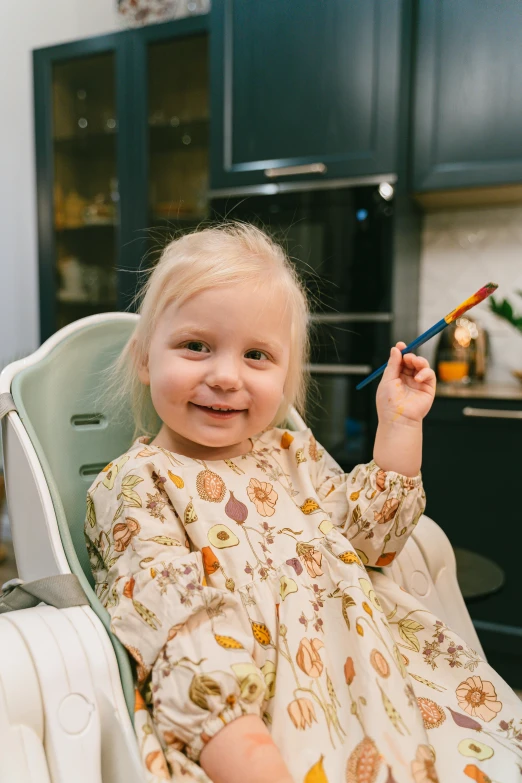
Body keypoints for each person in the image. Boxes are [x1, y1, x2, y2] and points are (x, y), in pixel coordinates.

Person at [85, 223, 522, 783]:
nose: (224, 376)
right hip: (257, 727)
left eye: (257, 355)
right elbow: (182, 641)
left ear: (287, 378)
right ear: (145, 359)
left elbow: (373, 540)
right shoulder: (137, 484)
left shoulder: (291, 453)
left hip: (380, 683)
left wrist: (399, 424)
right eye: (196, 346)